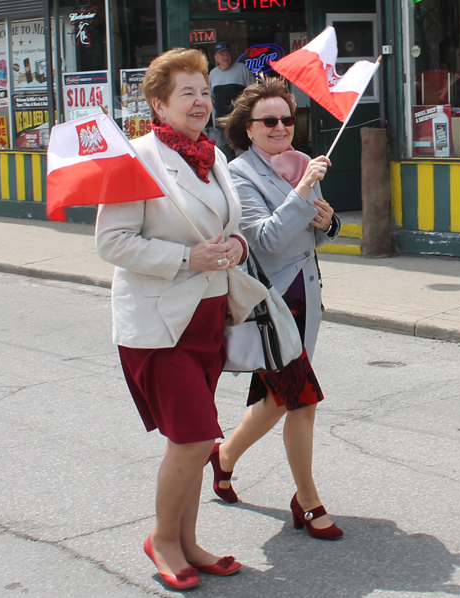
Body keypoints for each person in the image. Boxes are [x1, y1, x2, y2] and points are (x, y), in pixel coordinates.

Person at [95, 48, 263, 590]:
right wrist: (186, 259)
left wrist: (235, 245)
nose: (199, 102)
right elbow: (111, 242)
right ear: (158, 102)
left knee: (189, 440)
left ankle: (188, 540)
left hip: (210, 317)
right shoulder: (133, 159)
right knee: (194, 438)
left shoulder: (210, 156)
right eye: (186, 92)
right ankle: (163, 539)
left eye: (204, 91)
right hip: (160, 324)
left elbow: (229, 223)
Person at [209, 76, 343, 540]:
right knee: (301, 400)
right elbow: (263, 241)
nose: (281, 127)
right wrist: (302, 190)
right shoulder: (239, 174)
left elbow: (314, 236)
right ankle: (307, 501)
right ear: (248, 128)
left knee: (277, 401)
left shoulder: (300, 164)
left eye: (288, 119)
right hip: (272, 306)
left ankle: (222, 458)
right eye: (269, 120)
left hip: (307, 297)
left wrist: (328, 223)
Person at [209, 42, 254, 161]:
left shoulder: (242, 69)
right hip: (220, 125)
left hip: (238, 122)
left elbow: (253, 93)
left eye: (227, 54)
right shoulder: (213, 74)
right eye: (222, 55)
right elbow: (211, 100)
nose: (225, 57)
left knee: (243, 155)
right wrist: (214, 123)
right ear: (216, 57)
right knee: (223, 157)